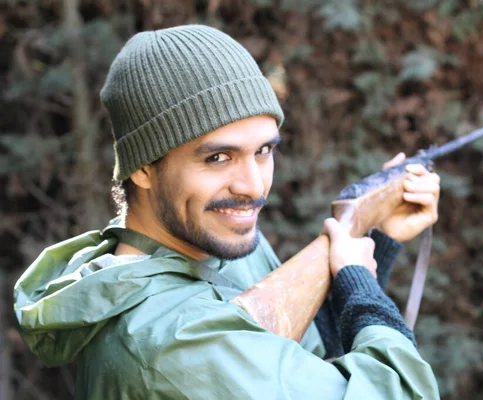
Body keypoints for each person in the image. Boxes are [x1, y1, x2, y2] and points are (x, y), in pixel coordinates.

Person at [14, 25, 441, 399]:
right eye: (217, 157)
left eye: (264, 150)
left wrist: (377, 237)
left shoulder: (206, 239)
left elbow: (303, 354)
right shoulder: (171, 344)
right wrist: (360, 285)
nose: (253, 187)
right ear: (143, 169)